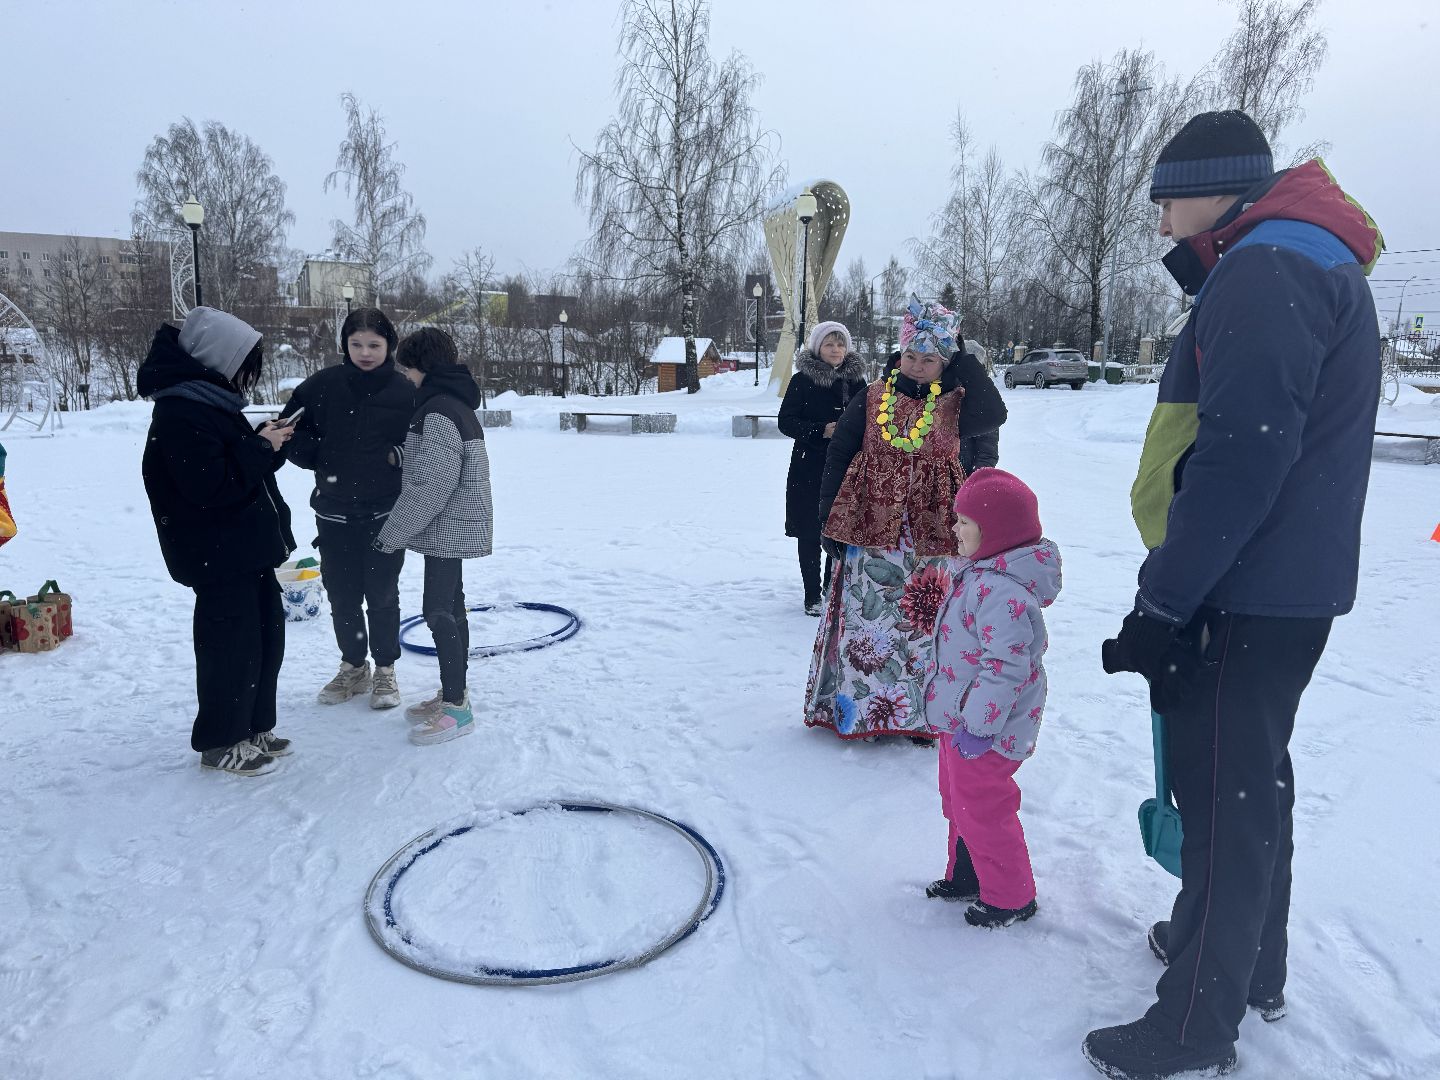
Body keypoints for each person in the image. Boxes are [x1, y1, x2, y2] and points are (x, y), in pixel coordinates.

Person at [1082, 111, 1384, 1080]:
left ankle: (1193, 1027)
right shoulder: (1301, 254)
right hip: (1283, 582)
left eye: (1169, 198)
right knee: (1253, 777)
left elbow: (1240, 463)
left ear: (1219, 189)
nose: (1164, 222)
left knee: (1223, 794)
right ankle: (1248, 963)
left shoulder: (1265, 269)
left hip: (1247, 585)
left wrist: (1163, 603)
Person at [802, 296, 1007, 742]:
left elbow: (996, 414)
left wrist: (964, 359)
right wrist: (826, 518)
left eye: (929, 358)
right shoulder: (873, 396)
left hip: (934, 533)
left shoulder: (957, 402)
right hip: (869, 527)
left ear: (944, 361)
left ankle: (920, 717)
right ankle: (864, 713)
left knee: (927, 626)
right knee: (869, 625)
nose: (917, 366)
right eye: (911, 355)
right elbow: (840, 454)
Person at [139, 307, 297, 776]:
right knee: (230, 649)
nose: (246, 377)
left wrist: (268, 445)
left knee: (266, 640)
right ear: (218, 359)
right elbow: (210, 487)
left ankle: (253, 727)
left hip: (245, 550)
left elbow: (238, 470)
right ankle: (219, 740)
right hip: (216, 556)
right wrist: (259, 447)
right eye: (244, 365)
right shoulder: (180, 412)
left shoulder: (210, 404)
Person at [922, 469, 1059, 928]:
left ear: (995, 531)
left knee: (984, 808)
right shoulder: (978, 575)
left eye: (964, 522)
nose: (954, 529)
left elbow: (1006, 668)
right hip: (960, 721)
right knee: (958, 801)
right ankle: (968, 874)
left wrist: (979, 727)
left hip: (988, 728)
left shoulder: (1005, 593)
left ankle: (1010, 897)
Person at [280, 307, 414, 709]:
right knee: (342, 595)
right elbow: (289, 430)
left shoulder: (405, 391)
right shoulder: (323, 385)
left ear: (388, 345)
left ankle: (386, 670)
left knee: (382, 594)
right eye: (356, 344)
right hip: (334, 512)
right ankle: (354, 667)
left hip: (385, 513)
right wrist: (321, 457)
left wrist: (397, 455)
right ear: (345, 345)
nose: (365, 352)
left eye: (374, 344)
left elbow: (425, 440)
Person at [376, 329, 493, 746]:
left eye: (407, 368)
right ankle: (453, 690)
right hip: (452, 523)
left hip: (449, 525)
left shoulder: (439, 410)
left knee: (438, 612)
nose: (405, 377)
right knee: (451, 609)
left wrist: (392, 534)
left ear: (423, 367)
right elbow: (440, 461)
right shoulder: (450, 403)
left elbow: (434, 484)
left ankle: (457, 707)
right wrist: (403, 455)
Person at [779, 321, 867, 615]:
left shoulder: (856, 383)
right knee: (809, 529)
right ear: (818, 348)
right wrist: (820, 431)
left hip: (845, 467)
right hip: (809, 466)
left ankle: (833, 588)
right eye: (830, 344)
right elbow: (786, 421)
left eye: (840, 344)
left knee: (838, 527)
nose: (836, 350)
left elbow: (871, 421)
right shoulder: (802, 380)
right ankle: (811, 594)